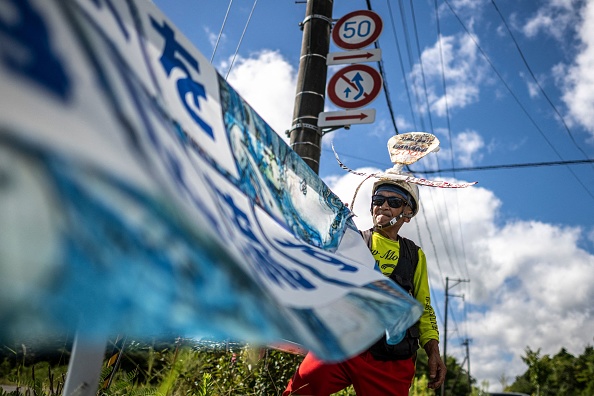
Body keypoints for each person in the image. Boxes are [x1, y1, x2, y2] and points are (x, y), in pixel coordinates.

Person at [283, 177, 446, 395]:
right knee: (297, 391)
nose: (384, 205)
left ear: (408, 213)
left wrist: (433, 351)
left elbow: (424, 308)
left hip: (390, 361)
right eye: (379, 199)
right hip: (341, 345)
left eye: (394, 202)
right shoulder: (350, 240)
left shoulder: (415, 256)